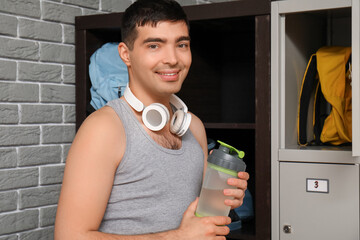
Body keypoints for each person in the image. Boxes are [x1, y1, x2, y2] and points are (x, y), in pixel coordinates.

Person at [54, 0, 249, 239]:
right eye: (154, 45)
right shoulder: (104, 128)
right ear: (126, 54)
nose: (172, 59)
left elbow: (196, 215)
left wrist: (226, 196)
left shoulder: (193, 126)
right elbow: (69, 236)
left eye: (182, 44)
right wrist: (179, 237)